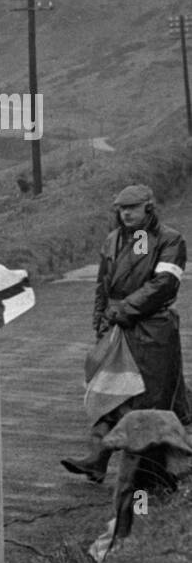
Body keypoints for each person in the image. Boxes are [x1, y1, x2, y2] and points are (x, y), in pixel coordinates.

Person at [63, 184, 188, 489]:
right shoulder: (112, 240)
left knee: (150, 401)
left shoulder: (170, 240)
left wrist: (123, 310)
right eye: (121, 208)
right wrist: (100, 322)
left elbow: (164, 285)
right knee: (107, 391)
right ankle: (97, 458)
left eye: (132, 207)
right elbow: (102, 286)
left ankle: (151, 476)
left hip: (152, 331)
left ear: (149, 207)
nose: (127, 213)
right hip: (116, 327)